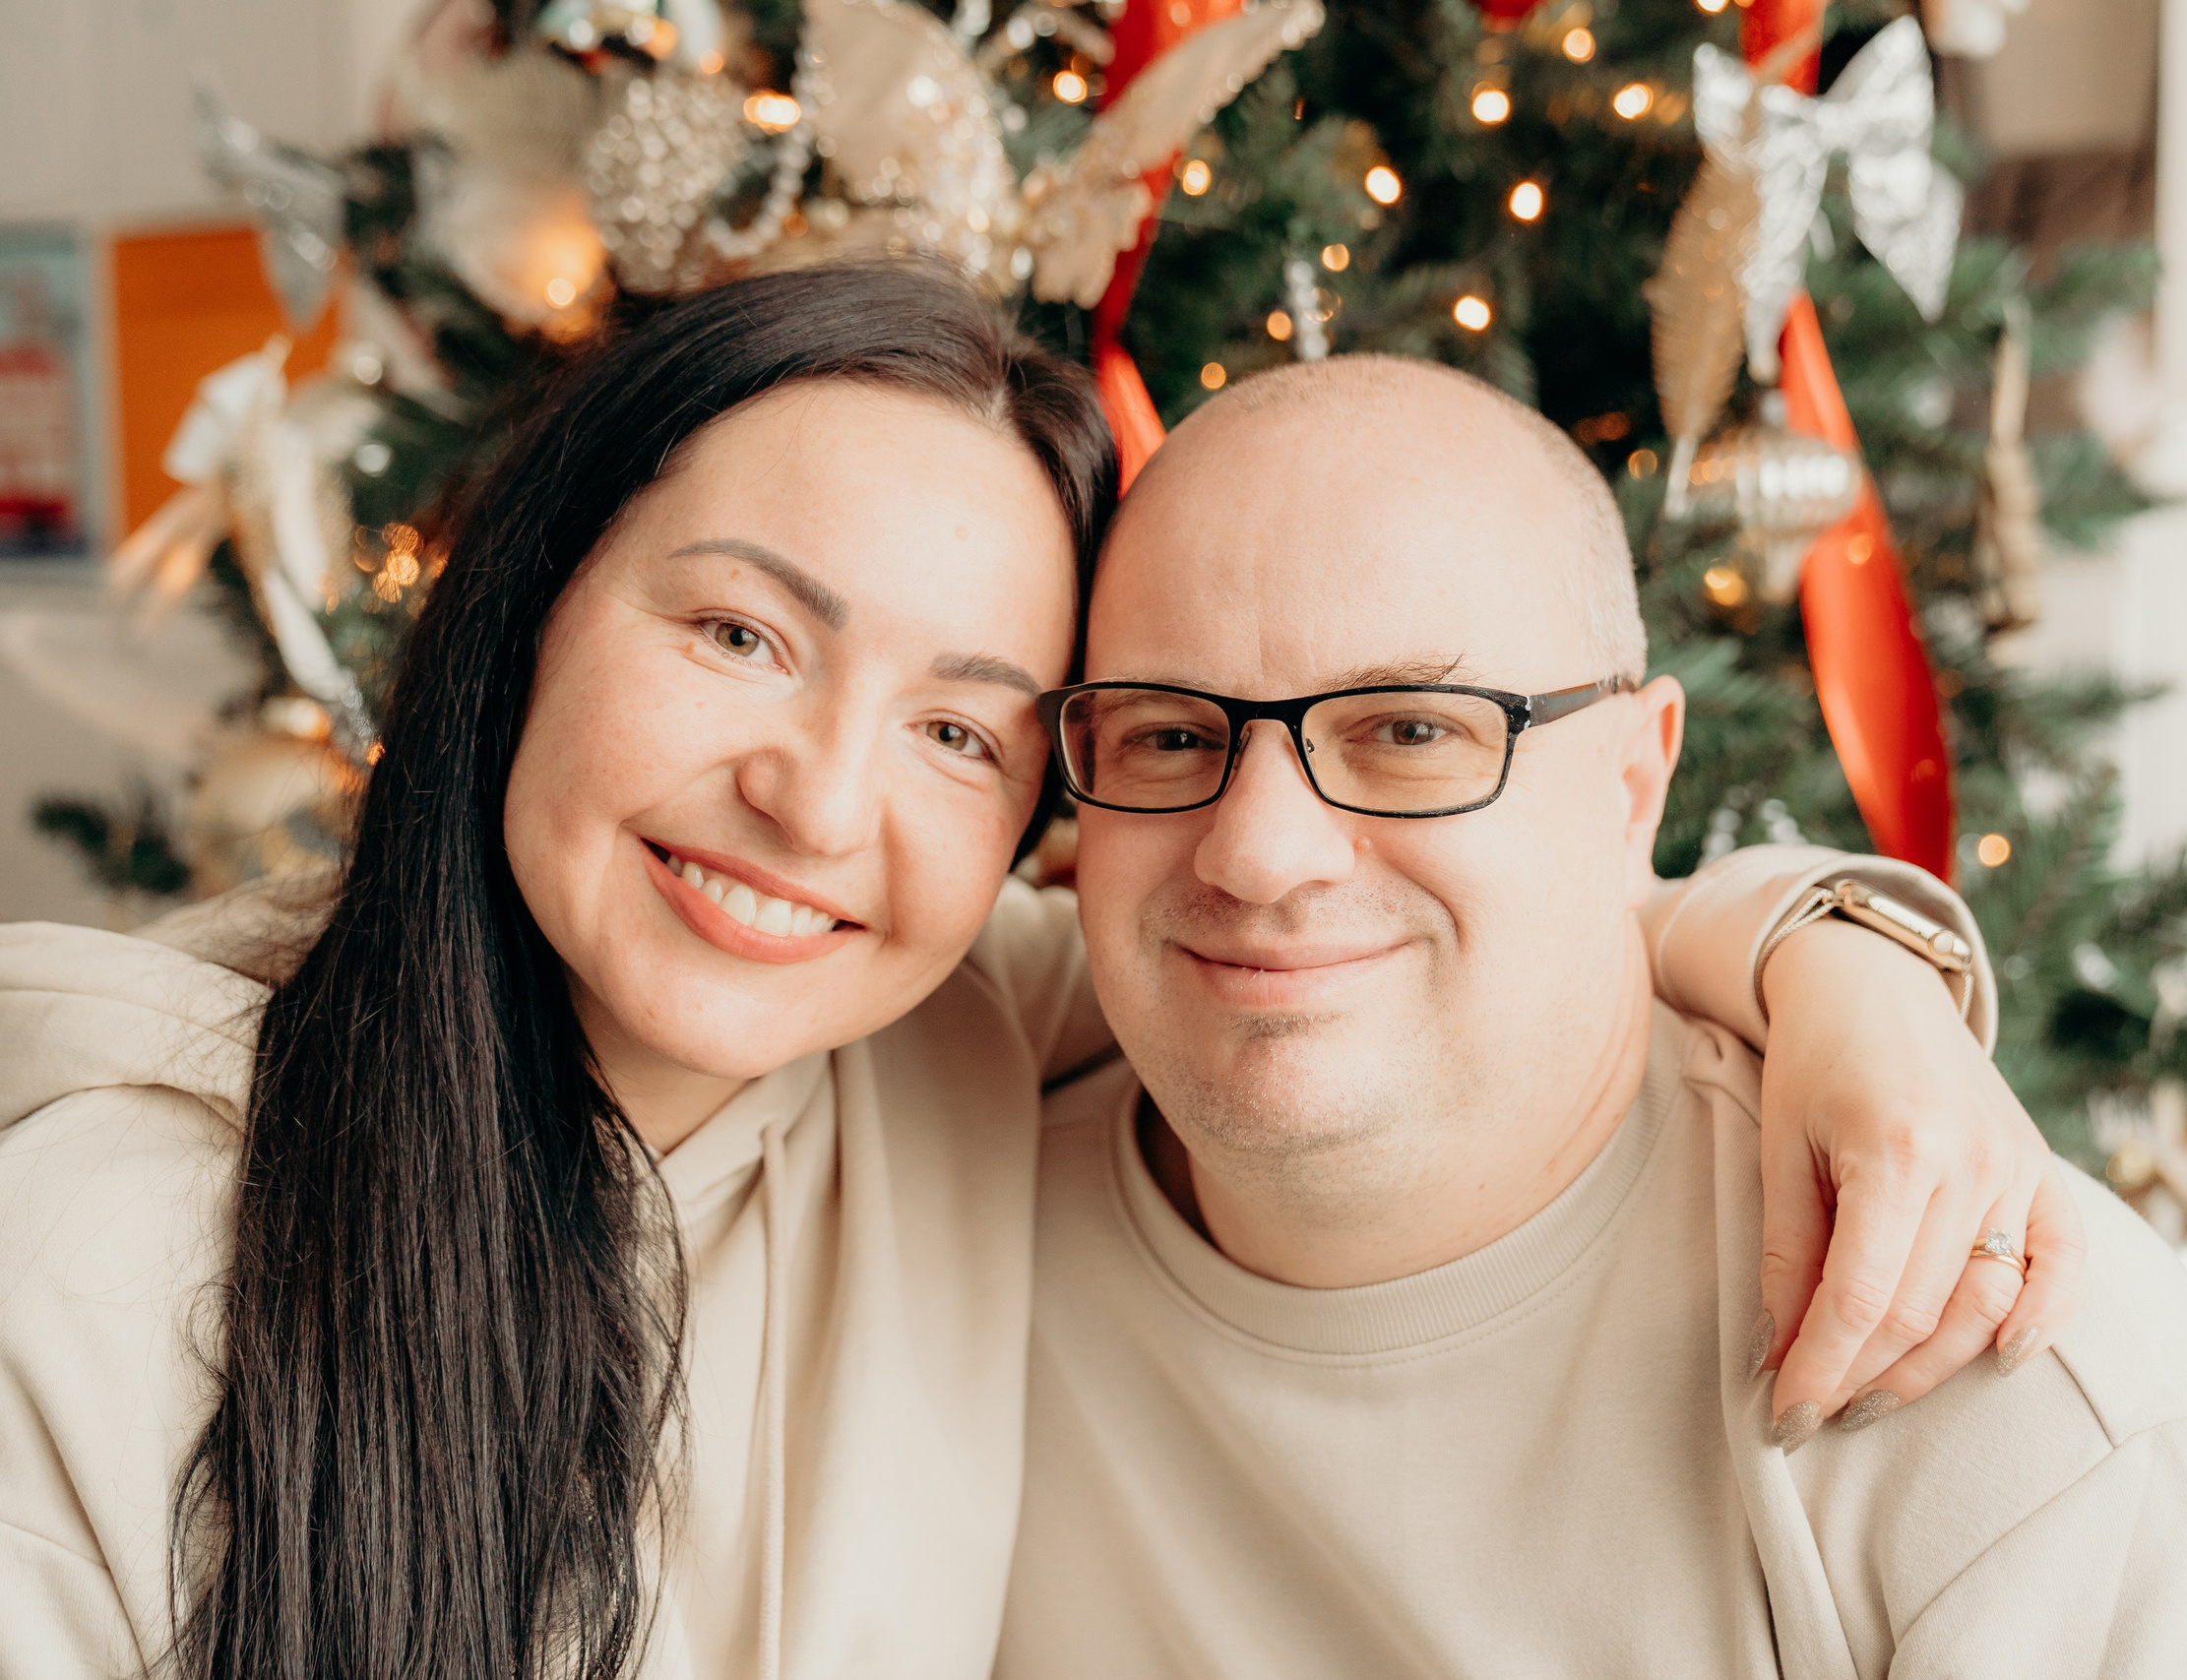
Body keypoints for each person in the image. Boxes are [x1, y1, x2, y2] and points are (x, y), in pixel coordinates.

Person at [0, 268, 2064, 1680]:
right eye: (739, 633)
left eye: (961, 729)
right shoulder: (94, 1265)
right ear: (525, 608)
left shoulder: (964, 1031)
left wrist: (1845, 970)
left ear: (1033, 816)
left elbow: (1424, 917)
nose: (814, 804)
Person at [996, 355, 2187, 1678]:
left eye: (1411, 731)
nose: (1258, 854)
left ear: (1635, 783)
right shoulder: (939, 1207)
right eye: (1169, 734)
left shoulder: (1993, 1343)